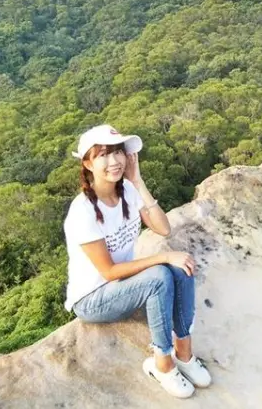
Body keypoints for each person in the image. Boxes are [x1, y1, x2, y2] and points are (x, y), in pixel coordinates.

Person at [63, 124, 211, 399]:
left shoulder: (128, 192)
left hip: (124, 285)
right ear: (87, 163)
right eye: (104, 155)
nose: (115, 161)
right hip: (92, 299)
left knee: (180, 269)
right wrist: (164, 256)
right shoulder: (82, 211)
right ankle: (162, 365)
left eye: (118, 152)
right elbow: (108, 272)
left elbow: (163, 228)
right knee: (160, 276)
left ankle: (185, 354)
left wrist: (137, 180)